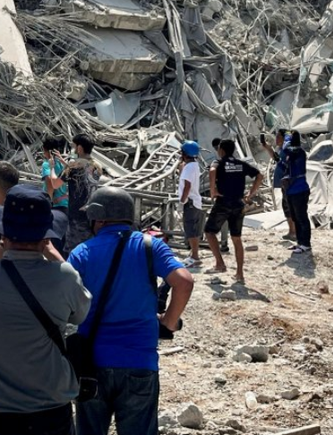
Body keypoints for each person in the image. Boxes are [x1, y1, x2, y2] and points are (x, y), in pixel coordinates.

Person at [0, 185, 92, 435]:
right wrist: (52, 253)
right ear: (46, 235)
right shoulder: (63, 277)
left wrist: (3, 243)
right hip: (49, 409)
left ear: (3, 230)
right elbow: (81, 312)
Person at [69, 187, 194, 435]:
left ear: (97, 217)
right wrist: (168, 322)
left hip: (92, 364)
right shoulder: (150, 246)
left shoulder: (81, 253)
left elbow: (66, 306)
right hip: (140, 362)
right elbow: (185, 281)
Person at [206, 139, 262, 283]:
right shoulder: (240, 164)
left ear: (222, 150)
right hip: (238, 203)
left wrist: (213, 191)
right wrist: (250, 194)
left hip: (223, 202)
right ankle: (239, 274)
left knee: (209, 232)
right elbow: (259, 175)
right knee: (236, 239)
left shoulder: (218, 162)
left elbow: (212, 171)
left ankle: (220, 263)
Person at [50, 133, 102, 255]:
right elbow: (82, 175)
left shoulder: (73, 166)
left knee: (72, 251)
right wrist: (64, 162)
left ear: (79, 148)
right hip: (93, 213)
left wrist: (52, 168)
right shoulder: (97, 166)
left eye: (74, 146)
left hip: (76, 215)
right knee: (90, 249)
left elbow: (55, 184)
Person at [279, 131, 311, 254]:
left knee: (302, 217)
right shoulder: (291, 154)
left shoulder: (299, 152)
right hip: (291, 190)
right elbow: (285, 166)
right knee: (295, 217)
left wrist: (286, 137)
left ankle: (306, 243)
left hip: (300, 189)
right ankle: (299, 242)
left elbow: (286, 149)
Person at [261, 129, 294, 241]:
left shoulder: (287, 149)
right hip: (285, 182)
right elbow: (277, 159)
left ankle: (294, 232)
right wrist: (267, 147)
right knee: (287, 207)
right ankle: (292, 231)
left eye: (278, 136)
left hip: (289, 182)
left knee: (290, 207)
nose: (276, 139)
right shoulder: (282, 149)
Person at [178, 140, 204, 268]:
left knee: (190, 230)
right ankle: (194, 254)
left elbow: (187, 186)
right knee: (194, 230)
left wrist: (182, 201)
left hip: (190, 202)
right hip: (195, 202)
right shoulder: (194, 165)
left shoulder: (189, 167)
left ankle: (195, 256)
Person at [42, 135, 69, 214]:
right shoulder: (61, 163)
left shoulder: (47, 164)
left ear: (45, 150)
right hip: (64, 203)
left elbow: (49, 185)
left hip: (54, 205)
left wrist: (49, 204)